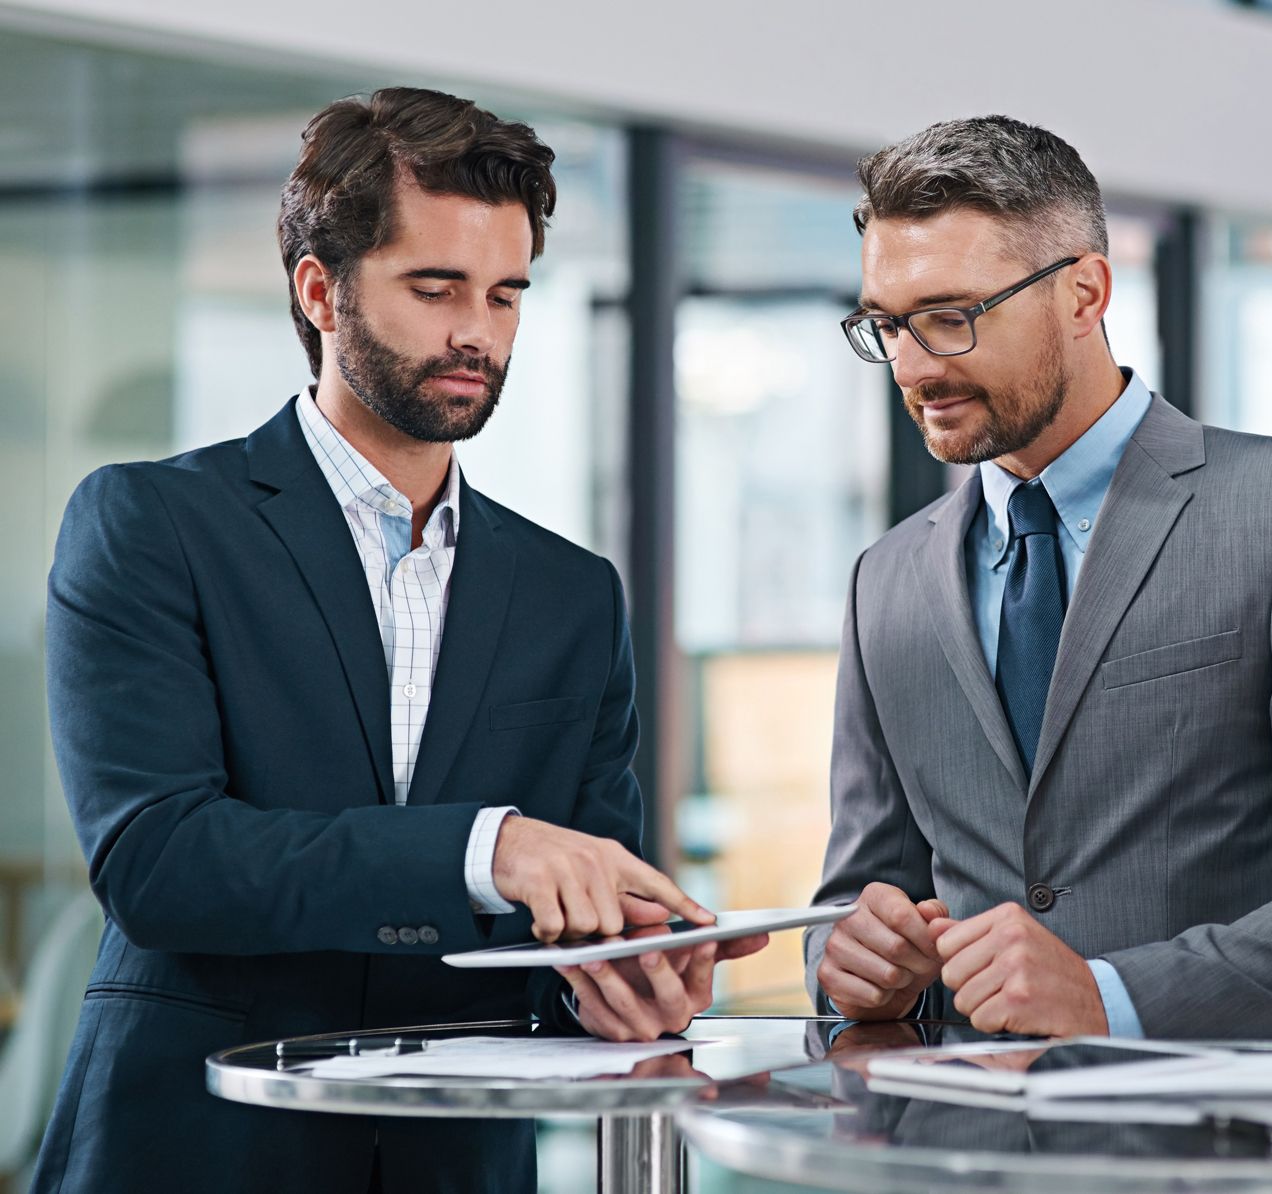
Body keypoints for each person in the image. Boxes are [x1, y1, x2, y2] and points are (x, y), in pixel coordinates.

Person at [35, 88, 761, 1194]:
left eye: (507, 294)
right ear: (320, 291)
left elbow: (578, 920)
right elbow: (159, 862)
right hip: (195, 1147)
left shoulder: (573, 595)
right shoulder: (151, 524)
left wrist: (620, 981)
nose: (480, 331)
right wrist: (487, 846)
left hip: (456, 1165)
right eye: (436, 289)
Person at [805, 115, 1272, 1042]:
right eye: (887, 326)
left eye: (951, 319)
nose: (913, 368)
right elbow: (859, 901)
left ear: (1085, 294)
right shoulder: (888, 581)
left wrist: (1114, 999)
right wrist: (854, 964)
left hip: (1250, 1159)